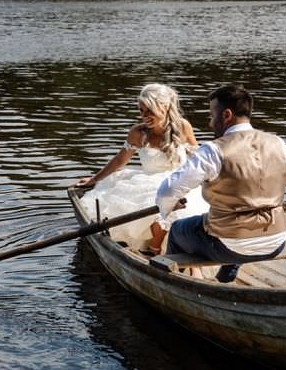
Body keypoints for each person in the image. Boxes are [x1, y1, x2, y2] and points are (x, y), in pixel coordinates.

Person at [156, 84, 286, 283]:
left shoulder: (213, 151)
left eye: (211, 115)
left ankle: (172, 283)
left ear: (226, 115)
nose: (210, 122)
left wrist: (167, 209)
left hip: (229, 245)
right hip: (277, 241)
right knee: (220, 226)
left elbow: (168, 191)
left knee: (177, 229)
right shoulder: (276, 143)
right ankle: (225, 279)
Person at [78, 83, 208, 253]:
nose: (145, 116)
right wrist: (95, 179)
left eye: (149, 111)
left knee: (186, 208)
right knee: (157, 204)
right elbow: (120, 159)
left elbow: (197, 158)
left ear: (164, 106)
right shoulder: (138, 133)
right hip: (147, 182)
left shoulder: (183, 126)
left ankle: (164, 249)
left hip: (180, 181)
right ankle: (155, 249)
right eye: (141, 111)